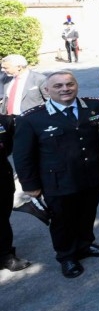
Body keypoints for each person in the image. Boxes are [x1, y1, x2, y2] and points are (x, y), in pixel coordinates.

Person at [13, 71, 99, 278]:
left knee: (87, 213)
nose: (65, 89)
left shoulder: (93, 106)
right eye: (58, 86)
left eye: (69, 84)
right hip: (58, 181)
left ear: (76, 85)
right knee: (62, 220)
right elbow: (23, 156)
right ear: (46, 90)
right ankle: (67, 256)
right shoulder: (32, 118)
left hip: (91, 175)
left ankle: (85, 245)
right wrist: (30, 185)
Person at [1, 113, 31, 271]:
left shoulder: (5, 121)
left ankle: (5, 255)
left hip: (2, 176)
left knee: (2, 218)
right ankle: (5, 256)